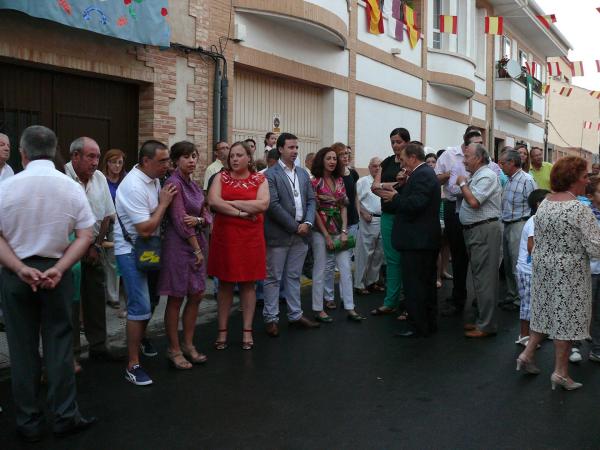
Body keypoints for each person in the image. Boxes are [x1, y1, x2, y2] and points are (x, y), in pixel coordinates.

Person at [0, 125, 97, 441]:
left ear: (23, 153)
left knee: (22, 347)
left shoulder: (6, 187)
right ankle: (64, 416)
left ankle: (28, 422)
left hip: (17, 275)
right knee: (59, 344)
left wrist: (17, 267)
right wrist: (60, 267)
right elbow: (86, 234)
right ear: (55, 151)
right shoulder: (69, 187)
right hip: (58, 271)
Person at [517, 157, 600, 390]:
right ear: (574, 179)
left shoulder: (546, 204)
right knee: (565, 319)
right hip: (570, 272)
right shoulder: (578, 209)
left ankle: (527, 355)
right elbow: (596, 248)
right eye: (585, 176)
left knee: (544, 312)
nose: (588, 181)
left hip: (544, 268)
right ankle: (561, 373)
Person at [115, 140, 177, 386]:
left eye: (168, 160)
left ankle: (141, 337)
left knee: (150, 301)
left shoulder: (153, 179)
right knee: (139, 306)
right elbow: (144, 228)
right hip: (131, 251)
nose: (167, 165)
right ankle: (132, 364)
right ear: (146, 161)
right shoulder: (133, 185)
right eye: (162, 161)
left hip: (148, 250)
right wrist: (163, 204)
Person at [208, 141, 269, 350]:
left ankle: (247, 332)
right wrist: (242, 211)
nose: (234, 159)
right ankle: (222, 332)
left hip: (250, 239)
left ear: (249, 158)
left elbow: (262, 204)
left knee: (248, 285)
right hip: (225, 238)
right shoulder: (220, 177)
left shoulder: (260, 179)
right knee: (224, 284)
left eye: (239, 155)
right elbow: (213, 201)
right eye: (232, 155)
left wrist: (230, 202)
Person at [158, 141, 211, 369]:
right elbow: (180, 221)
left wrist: (199, 220)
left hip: (197, 242)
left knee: (197, 294)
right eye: (186, 157)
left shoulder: (195, 185)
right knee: (176, 297)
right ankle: (174, 348)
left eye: (194, 156)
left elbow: (207, 216)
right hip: (179, 247)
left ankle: (188, 344)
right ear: (175, 160)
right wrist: (197, 247)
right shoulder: (174, 183)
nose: (191, 160)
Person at [379, 143, 441, 337]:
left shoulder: (422, 174)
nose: (402, 162)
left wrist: (396, 198)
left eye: (404, 158)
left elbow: (416, 204)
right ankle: (426, 324)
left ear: (413, 157)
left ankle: (419, 326)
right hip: (420, 241)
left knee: (416, 286)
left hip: (418, 242)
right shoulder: (421, 174)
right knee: (424, 284)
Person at [65, 137, 117, 361]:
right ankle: (72, 353)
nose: (96, 162)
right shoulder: (62, 177)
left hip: (94, 248)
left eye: (97, 156)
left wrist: (95, 244)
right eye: (90, 156)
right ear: (75, 156)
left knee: (96, 299)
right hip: (67, 251)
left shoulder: (99, 179)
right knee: (71, 303)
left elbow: (106, 214)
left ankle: (98, 347)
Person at [263, 133, 319, 336]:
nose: (295, 151)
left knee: (294, 277)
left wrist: (308, 222)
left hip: (302, 234)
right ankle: (271, 318)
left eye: (296, 148)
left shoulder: (303, 174)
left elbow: (311, 200)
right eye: (291, 147)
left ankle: (295, 315)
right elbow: (273, 205)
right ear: (280, 149)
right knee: (273, 278)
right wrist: (295, 226)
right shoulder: (270, 175)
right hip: (279, 235)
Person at [311, 147, 365, 322]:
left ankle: (350, 307)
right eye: (329, 158)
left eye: (335, 158)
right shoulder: (315, 182)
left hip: (339, 230)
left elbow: (344, 206)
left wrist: (343, 232)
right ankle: (318, 309)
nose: (333, 161)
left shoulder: (340, 180)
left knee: (345, 269)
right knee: (320, 270)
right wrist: (326, 236)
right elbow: (315, 211)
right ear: (322, 160)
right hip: (320, 231)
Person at [435, 126, 483, 316]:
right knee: (459, 253)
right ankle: (458, 297)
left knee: (477, 255)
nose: (480, 147)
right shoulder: (448, 155)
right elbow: (436, 178)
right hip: (453, 207)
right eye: (476, 144)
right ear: (465, 145)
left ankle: (480, 298)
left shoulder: (483, 159)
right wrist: (452, 175)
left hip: (474, 207)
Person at [456, 144, 502, 338]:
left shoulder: (487, 176)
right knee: (479, 277)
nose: (464, 160)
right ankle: (483, 320)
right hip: (477, 230)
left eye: (467, 156)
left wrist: (462, 184)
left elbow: (474, 202)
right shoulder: (479, 175)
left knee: (485, 278)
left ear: (479, 158)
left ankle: (486, 325)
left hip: (483, 230)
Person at [370, 128, 410, 317]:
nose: (395, 145)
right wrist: (393, 187)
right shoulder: (386, 162)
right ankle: (390, 301)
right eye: (392, 141)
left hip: (405, 215)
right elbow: (374, 186)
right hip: (387, 215)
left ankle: (406, 303)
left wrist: (386, 188)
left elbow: (408, 185)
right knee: (392, 260)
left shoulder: (410, 163)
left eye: (399, 142)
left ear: (407, 143)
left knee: (406, 260)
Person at [498, 150, 537, 312]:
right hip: (507, 224)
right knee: (507, 263)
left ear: (512, 163)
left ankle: (520, 299)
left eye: (503, 163)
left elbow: (535, 204)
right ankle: (512, 294)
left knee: (516, 263)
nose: (501, 166)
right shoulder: (509, 180)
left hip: (519, 225)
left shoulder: (527, 180)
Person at [515, 189, 550, 347]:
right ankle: (524, 336)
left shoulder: (543, 219)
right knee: (528, 305)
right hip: (528, 271)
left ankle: (534, 334)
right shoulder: (536, 220)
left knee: (535, 304)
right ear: (539, 204)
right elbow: (532, 247)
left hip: (535, 270)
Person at [100, 149, 126, 312]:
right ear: (107, 163)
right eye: (113, 162)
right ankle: (108, 293)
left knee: (113, 261)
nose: (116, 166)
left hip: (120, 224)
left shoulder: (126, 179)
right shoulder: (101, 179)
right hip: (103, 222)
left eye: (120, 162)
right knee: (104, 260)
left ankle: (113, 296)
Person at [354, 157, 385, 295]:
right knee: (365, 253)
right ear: (369, 167)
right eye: (374, 166)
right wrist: (363, 212)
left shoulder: (384, 182)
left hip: (383, 219)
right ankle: (359, 284)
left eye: (379, 166)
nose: (377, 168)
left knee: (379, 253)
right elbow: (356, 200)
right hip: (368, 219)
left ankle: (372, 281)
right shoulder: (363, 182)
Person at [587, 176, 600, 362]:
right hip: (588, 270)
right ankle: (574, 345)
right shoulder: (586, 216)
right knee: (582, 310)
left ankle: (597, 348)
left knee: (598, 312)